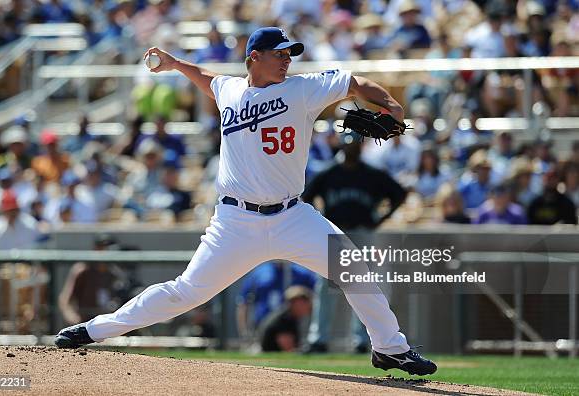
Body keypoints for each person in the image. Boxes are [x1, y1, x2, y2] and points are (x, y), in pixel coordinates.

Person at [55, 26, 436, 376]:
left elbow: (355, 82)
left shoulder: (302, 89)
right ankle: (92, 330)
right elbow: (206, 79)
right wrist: (174, 64)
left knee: (355, 271)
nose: (288, 60)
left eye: (291, 54)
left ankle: (390, 348)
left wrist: (393, 106)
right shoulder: (230, 89)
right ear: (254, 56)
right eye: (280, 53)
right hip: (235, 223)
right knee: (184, 292)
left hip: (293, 216)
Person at [302, 132, 407, 353]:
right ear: (342, 145)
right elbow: (306, 196)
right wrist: (319, 219)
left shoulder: (371, 174)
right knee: (325, 286)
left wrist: (380, 219)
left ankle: (361, 339)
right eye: (348, 144)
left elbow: (399, 194)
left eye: (355, 145)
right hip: (335, 232)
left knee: (363, 285)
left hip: (362, 232)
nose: (352, 149)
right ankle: (318, 338)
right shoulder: (330, 173)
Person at [259, 286, 313, 352]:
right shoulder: (284, 320)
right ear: (295, 303)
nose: (309, 305)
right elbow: (288, 349)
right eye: (305, 301)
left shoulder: (290, 317)